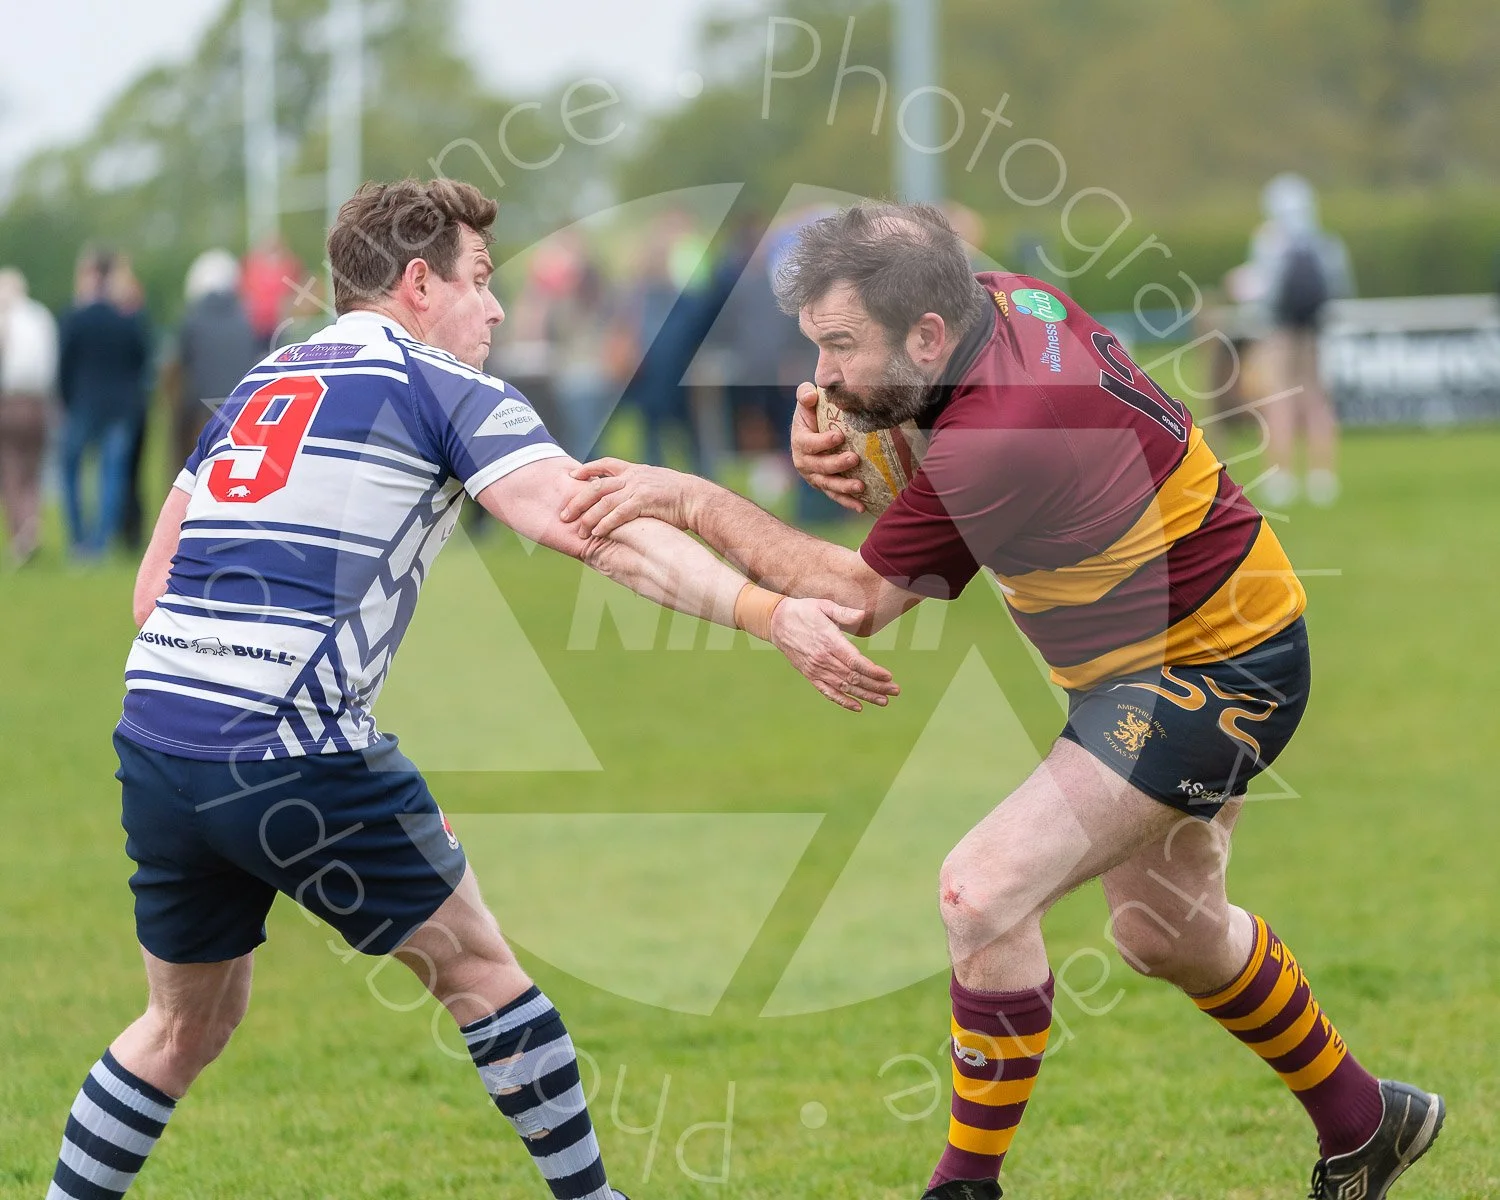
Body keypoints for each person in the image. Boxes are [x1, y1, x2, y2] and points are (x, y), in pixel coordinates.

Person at [561, 202, 1443, 1200]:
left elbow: (859, 598)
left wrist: (691, 498)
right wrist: (845, 431)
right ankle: (1368, 1122)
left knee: (981, 890)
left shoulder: (1010, 426)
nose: (823, 378)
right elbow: (922, 440)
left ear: (925, 332)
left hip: (1213, 668)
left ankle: (961, 1190)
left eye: (840, 347)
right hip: (1177, 645)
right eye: (818, 348)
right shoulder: (997, 304)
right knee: (1165, 933)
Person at [43, 179, 898, 1200]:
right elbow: (593, 531)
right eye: (480, 281)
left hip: (158, 742)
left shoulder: (260, 387)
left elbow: (152, 593)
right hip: (287, 746)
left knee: (183, 1026)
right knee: (483, 974)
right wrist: (770, 613)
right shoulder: (442, 386)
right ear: (419, 284)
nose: (494, 310)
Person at [1248, 173, 1354, 508]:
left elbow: (1264, 292)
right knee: (1316, 398)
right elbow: (1340, 289)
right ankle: (1322, 476)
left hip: (1278, 330)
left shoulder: (1267, 241)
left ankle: (1281, 478)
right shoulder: (1326, 243)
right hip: (1315, 329)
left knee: (1278, 397)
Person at [56, 250, 152, 559]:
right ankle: (101, 543)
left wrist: (66, 400)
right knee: (112, 475)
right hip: (120, 407)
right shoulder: (126, 320)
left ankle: (77, 538)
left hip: (82, 403)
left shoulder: (75, 318)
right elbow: (141, 360)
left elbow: (63, 366)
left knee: (71, 470)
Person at [166, 249, 262, 475]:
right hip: (244, 415)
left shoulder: (191, 322)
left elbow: (181, 372)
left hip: (202, 415)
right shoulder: (246, 322)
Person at [0, 267, 59, 567]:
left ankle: (20, 535)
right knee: (33, 470)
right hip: (41, 402)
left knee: (11, 468)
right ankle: (32, 525)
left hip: (10, 401)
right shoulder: (41, 316)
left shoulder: (6, 318)